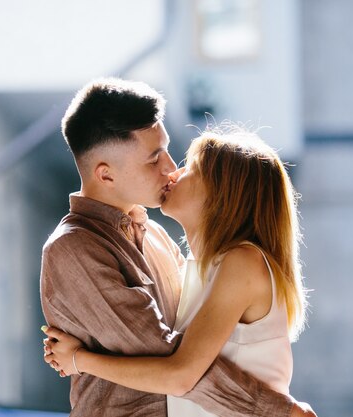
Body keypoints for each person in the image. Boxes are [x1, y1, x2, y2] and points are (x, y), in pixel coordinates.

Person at [39, 77, 314, 416]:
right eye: (154, 158)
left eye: (170, 153)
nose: (170, 169)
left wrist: (81, 360)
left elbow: (182, 368)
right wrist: (277, 410)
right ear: (106, 175)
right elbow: (171, 359)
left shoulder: (159, 239)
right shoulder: (74, 249)